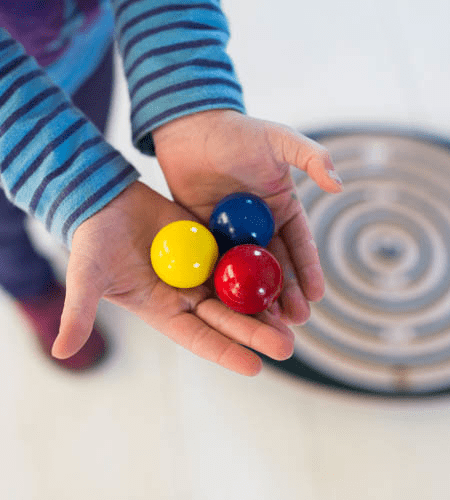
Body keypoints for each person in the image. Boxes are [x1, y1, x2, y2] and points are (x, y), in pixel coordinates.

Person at [0, 0, 343, 376]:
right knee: (5, 232)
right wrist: (68, 178)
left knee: (85, 136)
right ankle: (31, 289)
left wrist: (187, 100)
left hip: (82, 49)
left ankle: (65, 253)